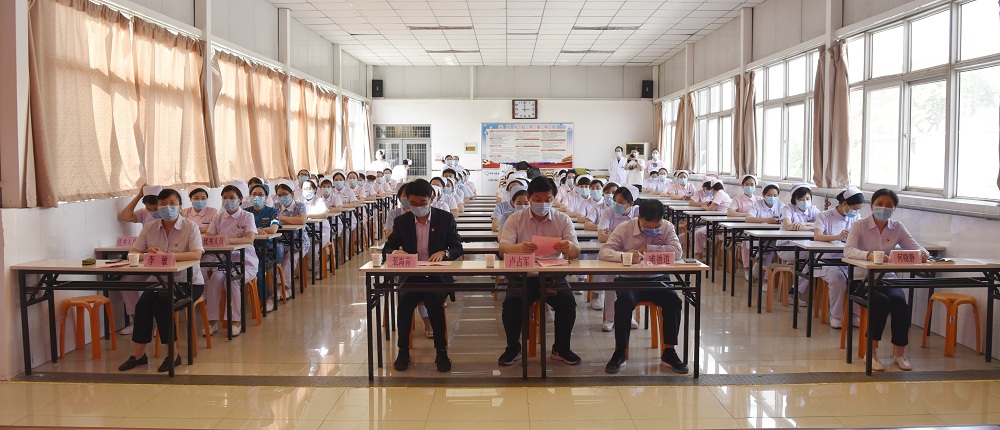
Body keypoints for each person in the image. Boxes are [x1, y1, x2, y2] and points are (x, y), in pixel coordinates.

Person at [498, 176, 582, 366]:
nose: (543, 203)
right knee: (511, 305)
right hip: (523, 275)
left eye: (548, 199)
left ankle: (561, 348)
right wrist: (518, 248)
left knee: (567, 304)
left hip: (553, 275)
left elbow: (576, 251)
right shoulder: (515, 218)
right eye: (537, 199)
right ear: (529, 197)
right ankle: (513, 348)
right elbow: (503, 248)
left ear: (554, 199)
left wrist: (569, 247)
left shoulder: (562, 219)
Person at [118, 189, 204, 372]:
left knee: (162, 305)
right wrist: (147, 255)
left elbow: (196, 255)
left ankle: (173, 354)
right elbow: (133, 253)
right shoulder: (150, 227)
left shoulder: (190, 227)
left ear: (180, 206)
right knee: (143, 305)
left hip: (187, 282)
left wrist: (166, 255)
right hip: (159, 281)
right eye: (163, 204)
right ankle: (138, 354)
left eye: (172, 203)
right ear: (157, 207)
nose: (168, 207)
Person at [599, 199, 688, 374]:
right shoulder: (625, 228)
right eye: (648, 226)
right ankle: (620, 352)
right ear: (639, 218)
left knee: (673, 301)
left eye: (657, 226)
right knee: (623, 303)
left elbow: (677, 252)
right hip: (629, 279)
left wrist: (650, 248)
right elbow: (604, 251)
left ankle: (669, 352)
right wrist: (625, 256)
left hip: (657, 278)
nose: (653, 229)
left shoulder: (667, 227)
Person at [382, 179, 463, 373]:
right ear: (407, 202)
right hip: (413, 276)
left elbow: (457, 247)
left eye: (422, 203)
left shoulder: (445, 218)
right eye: (413, 203)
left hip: (437, 275)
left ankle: (441, 352)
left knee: (434, 301)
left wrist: (444, 253)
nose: (418, 207)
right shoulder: (402, 222)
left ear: (431, 199)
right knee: (405, 302)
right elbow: (388, 248)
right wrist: (396, 252)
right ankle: (403, 351)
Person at [844, 188, 927, 372]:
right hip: (861, 280)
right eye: (880, 204)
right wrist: (869, 255)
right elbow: (848, 250)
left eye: (889, 205)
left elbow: (916, 247)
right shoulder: (859, 225)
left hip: (887, 278)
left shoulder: (897, 227)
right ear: (872, 206)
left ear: (894, 208)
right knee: (880, 302)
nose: (884, 208)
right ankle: (871, 352)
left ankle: (900, 353)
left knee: (899, 302)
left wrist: (923, 253)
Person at [203, 185, 258, 336]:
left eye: (232, 198)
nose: (228, 201)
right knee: (214, 280)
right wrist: (218, 240)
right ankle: (212, 321)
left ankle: (235, 320)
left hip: (245, 261)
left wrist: (225, 240)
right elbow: (208, 237)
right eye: (225, 198)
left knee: (233, 281)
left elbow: (249, 239)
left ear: (240, 200)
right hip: (223, 261)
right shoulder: (218, 217)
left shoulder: (247, 216)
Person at [813, 187, 865, 329]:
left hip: (848, 260)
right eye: (854, 209)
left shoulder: (856, 218)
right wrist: (838, 236)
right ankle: (836, 316)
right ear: (845, 204)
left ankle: (855, 314)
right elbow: (817, 236)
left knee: (861, 278)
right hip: (826, 259)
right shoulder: (824, 216)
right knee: (838, 279)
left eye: (858, 210)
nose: (856, 212)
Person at [595, 185, 641, 328]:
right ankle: (610, 318)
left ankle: (628, 316)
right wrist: (623, 238)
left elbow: (641, 237)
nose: (616, 204)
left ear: (631, 204)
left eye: (621, 202)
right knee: (613, 279)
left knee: (632, 281)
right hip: (612, 254)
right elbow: (601, 236)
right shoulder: (609, 211)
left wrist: (613, 234)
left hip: (633, 256)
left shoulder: (638, 212)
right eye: (615, 200)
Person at [776, 183, 820, 304]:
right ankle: (794, 293)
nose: (805, 202)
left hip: (805, 247)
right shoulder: (788, 209)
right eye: (801, 199)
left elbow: (822, 226)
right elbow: (788, 226)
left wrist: (805, 224)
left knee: (814, 258)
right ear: (794, 199)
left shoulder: (813, 209)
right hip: (786, 247)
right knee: (814, 256)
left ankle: (794, 291)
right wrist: (813, 227)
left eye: (807, 198)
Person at [244, 183, 281, 310]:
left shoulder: (272, 212)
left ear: (266, 197)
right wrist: (257, 230)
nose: (257, 197)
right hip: (248, 249)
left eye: (261, 194)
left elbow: (274, 228)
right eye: (254, 194)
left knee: (257, 267)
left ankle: (267, 298)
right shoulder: (245, 212)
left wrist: (254, 230)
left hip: (267, 250)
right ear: (250, 196)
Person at [742, 183, 784, 281]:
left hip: (774, 237)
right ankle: (765, 279)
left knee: (770, 247)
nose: (772, 198)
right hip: (757, 236)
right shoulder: (758, 204)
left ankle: (762, 274)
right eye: (769, 195)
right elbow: (748, 219)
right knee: (768, 248)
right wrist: (766, 220)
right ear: (763, 195)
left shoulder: (781, 205)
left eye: (775, 195)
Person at [275, 183, 308, 296]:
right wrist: (293, 219)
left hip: (300, 241)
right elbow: (273, 222)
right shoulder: (276, 207)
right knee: (276, 256)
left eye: (285, 194)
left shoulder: (300, 206)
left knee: (290, 257)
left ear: (292, 194)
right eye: (279, 195)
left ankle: (284, 287)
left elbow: (302, 220)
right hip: (281, 241)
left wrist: (282, 218)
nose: (282, 197)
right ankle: (277, 286)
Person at [692, 178, 732, 260]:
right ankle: (702, 253)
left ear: (713, 189)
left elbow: (711, 209)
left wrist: (704, 207)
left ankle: (699, 256)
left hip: (720, 223)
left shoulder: (719, 194)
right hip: (721, 221)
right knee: (702, 231)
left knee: (698, 233)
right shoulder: (723, 194)